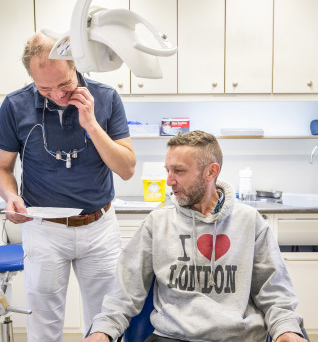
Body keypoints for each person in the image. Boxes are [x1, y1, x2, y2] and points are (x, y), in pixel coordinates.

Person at [83, 131, 306, 342]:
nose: (169, 181)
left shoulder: (250, 221)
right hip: (171, 337)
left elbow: (274, 292)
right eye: (167, 170)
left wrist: (287, 330)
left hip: (236, 337)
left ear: (211, 172)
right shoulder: (157, 223)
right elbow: (124, 292)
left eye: (178, 171)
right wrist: (103, 331)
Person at [0, 31, 136, 341]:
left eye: (64, 84)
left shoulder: (106, 98)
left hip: (99, 227)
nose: (57, 95)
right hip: (44, 229)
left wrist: (92, 124)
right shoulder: (15, 106)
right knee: (42, 324)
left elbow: (126, 169)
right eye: (44, 88)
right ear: (31, 77)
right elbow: (1, 169)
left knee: (105, 322)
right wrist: (11, 196)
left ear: (76, 66)